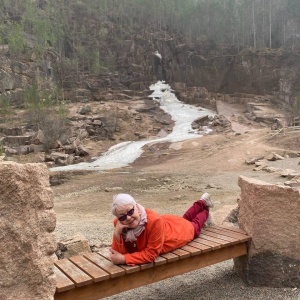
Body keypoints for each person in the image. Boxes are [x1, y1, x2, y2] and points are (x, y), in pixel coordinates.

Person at [109, 192, 213, 265]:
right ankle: (202, 201)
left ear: (136, 206)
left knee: (195, 226)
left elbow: (151, 254)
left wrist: (123, 259)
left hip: (176, 234)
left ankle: (206, 209)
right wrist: (117, 233)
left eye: (130, 211)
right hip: (169, 223)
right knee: (185, 219)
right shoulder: (119, 225)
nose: (128, 218)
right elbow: (116, 254)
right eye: (122, 217)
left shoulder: (153, 222)